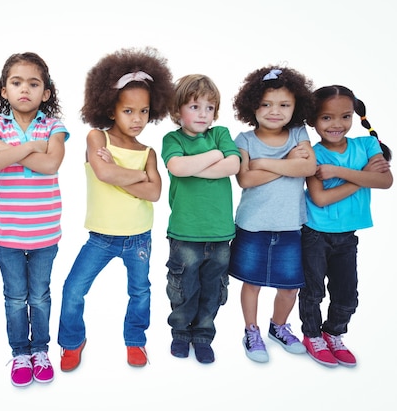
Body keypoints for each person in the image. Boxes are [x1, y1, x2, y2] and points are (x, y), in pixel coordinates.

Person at [57, 47, 174, 371]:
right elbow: (104, 173)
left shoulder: (148, 151)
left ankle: (135, 340)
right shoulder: (97, 138)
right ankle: (72, 341)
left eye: (144, 111)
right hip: (101, 238)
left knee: (140, 292)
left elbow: (155, 193)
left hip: (139, 239)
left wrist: (129, 176)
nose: (137, 119)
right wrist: (137, 177)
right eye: (128, 111)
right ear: (110, 110)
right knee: (73, 290)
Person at [0, 52, 69, 387]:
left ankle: (40, 350)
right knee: (15, 297)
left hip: (45, 233)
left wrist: (8, 152)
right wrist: (32, 147)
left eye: (33, 83)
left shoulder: (55, 125)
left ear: (46, 92)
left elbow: (52, 164)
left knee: (40, 295)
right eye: (16, 83)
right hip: (8, 234)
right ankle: (19, 353)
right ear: (4, 90)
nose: (24, 89)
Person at [299, 85, 393, 367]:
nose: (337, 124)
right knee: (313, 291)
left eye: (345, 117)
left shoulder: (366, 145)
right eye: (327, 118)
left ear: (355, 116)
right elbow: (320, 197)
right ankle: (312, 336)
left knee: (347, 295)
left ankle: (333, 333)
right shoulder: (312, 154)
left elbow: (385, 182)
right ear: (313, 120)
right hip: (315, 233)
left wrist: (339, 172)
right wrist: (362, 177)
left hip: (346, 237)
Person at [229, 66, 317, 363]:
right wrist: (286, 161)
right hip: (253, 224)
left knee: (290, 286)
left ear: (296, 107)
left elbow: (307, 168)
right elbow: (244, 179)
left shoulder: (298, 133)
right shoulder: (244, 139)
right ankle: (251, 330)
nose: (274, 111)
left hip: (291, 224)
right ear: (252, 105)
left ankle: (278, 327)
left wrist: (263, 164)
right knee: (251, 283)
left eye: (284, 105)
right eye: (266, 104)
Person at [162, 74, 241, 364]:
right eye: (195, 107)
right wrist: (214, 157)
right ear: (177, 110)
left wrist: (200, 163)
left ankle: (203, 335)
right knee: (183, 288)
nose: (203, 114)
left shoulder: (220, 134)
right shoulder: (172, 139)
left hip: (220, 233)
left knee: (213, 289)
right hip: (186, 232)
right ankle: (181, 333)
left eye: (209, 107)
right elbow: (177, 167)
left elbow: (233, 164)